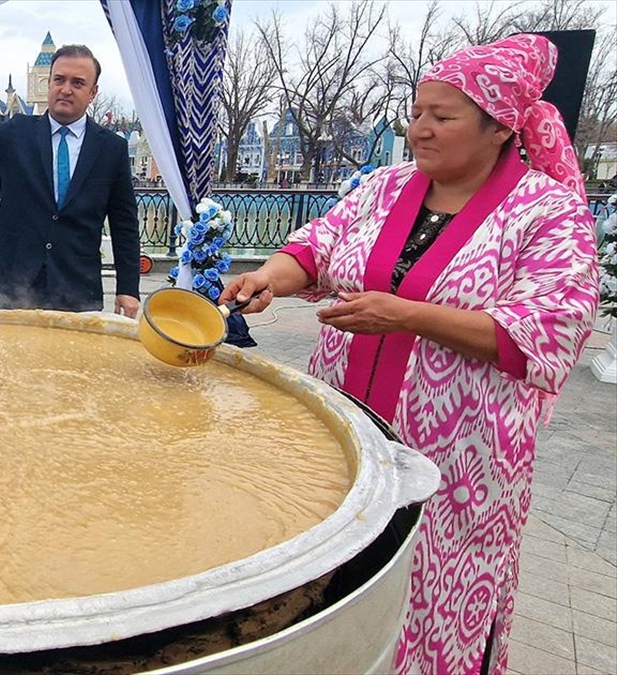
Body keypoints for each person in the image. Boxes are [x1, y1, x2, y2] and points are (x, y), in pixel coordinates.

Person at [218, 34, 598, 675]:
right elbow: (314, 247)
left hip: (461, 456)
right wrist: (268, 277)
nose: (420, 130)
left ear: (500, 128)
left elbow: (550, 329)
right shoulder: (385, 188)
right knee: (341, 579)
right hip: (350, 431)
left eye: (442, 117)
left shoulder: (546, 211)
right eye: (417, 112)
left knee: (435, 588)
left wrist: (408, 317)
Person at [0, 46, 141, 316]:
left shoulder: (112, 149)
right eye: (59, 80)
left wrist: (128, 289)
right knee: (16, 355)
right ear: (49, 82)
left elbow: (125, 224)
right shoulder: (17, 132)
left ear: (93, 93)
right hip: (20, 281)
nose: (65, 89)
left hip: (79, 284)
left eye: (77, 83)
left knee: (74, 357)